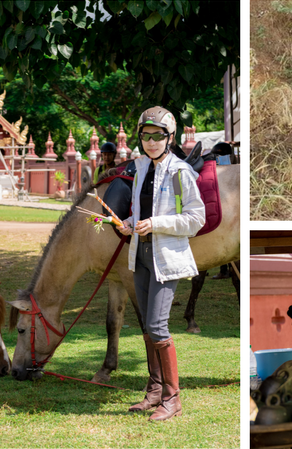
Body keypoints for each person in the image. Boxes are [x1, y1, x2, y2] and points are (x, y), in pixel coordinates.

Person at [116, 106, 205, 422]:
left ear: (170, 138)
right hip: (141, 255)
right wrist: (130, 223)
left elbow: (196, 219)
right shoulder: (141, 168)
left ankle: (173, 399)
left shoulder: (180, 172)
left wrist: (155, 224)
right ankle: (154, 390)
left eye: (158, 136)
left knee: (157, 325)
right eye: (146, 136)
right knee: (146, 325)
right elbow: (142, 213)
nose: (151, 142)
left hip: (166, 258)